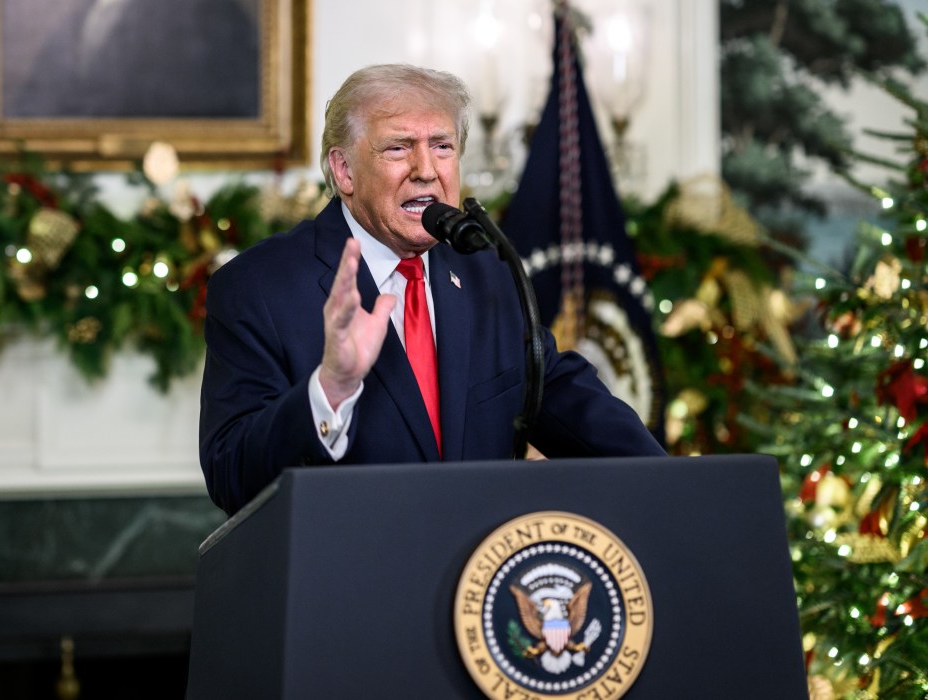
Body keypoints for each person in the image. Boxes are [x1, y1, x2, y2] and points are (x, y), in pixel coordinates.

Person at [199, 64, 665, 515]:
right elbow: (231, 476)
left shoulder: (485, 266)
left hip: (478, 575)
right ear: (344, 171)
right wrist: (330, 390)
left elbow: (554, 388)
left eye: (442, 146)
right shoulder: (258, 287)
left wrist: (670, 480)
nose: (426, 170)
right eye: (399, 148)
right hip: (349, 579)